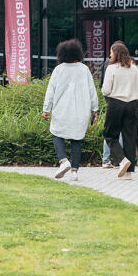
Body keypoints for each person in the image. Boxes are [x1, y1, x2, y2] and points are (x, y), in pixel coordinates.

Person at [42, 39, 99, 182]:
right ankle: (74, 172)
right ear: (78, 53)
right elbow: (92, 91)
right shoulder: (84, 69)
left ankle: (63, 161)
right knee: (76, 139)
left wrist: (46, 109)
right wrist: (95, 109)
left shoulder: (58, 70)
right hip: (81, 111)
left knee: (56, 133)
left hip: (61, 110)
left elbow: (50, 91)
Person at [101, 40, 138, 180]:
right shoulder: (134, 69)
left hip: (116, 103)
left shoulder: (111, 68)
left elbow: (106, 90)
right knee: (130, 137)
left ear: (116, 54)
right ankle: (128, 173)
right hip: (132, 104)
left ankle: (122, 160)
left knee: (109, 134)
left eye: (111, 52)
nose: (109, 55)